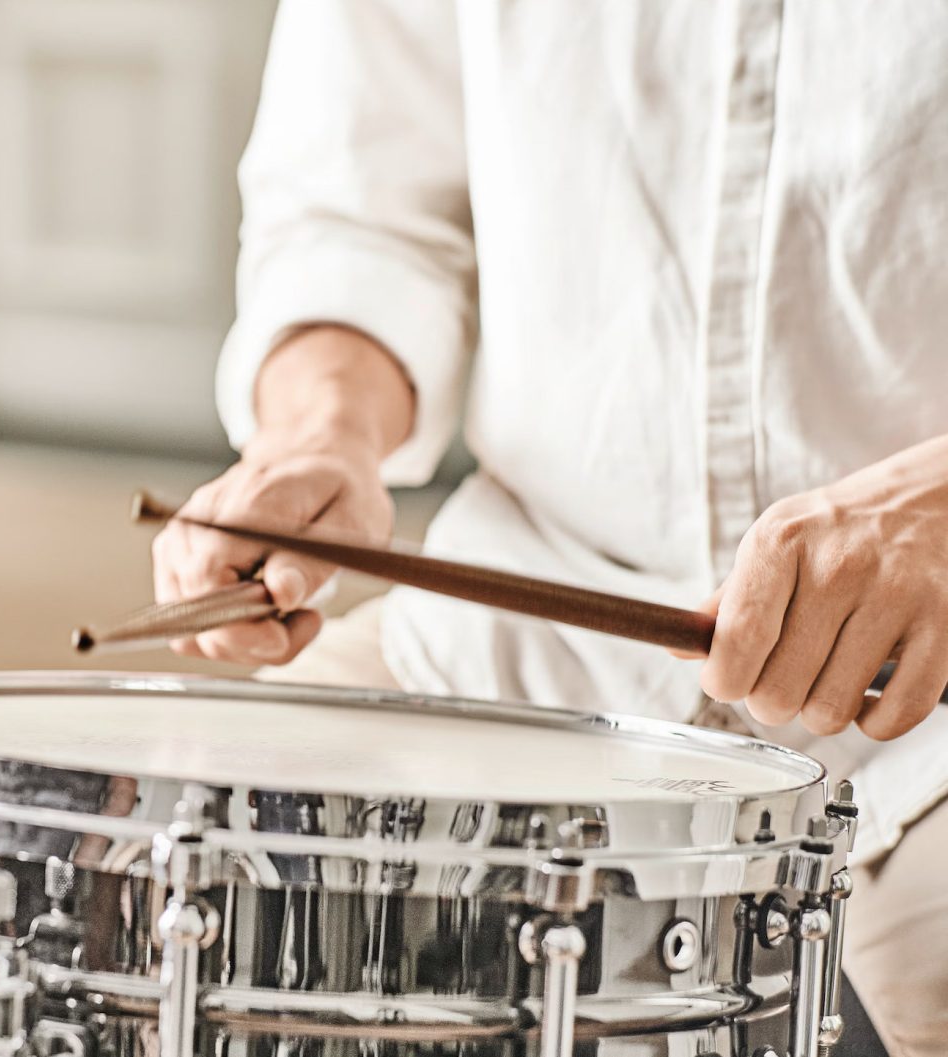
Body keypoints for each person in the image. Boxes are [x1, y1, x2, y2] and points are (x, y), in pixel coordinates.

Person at [151, 4, 948, 1054]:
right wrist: (321, 431)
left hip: (923, 717)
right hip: (526, 619)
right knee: (190, 887)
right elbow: (363, 214)